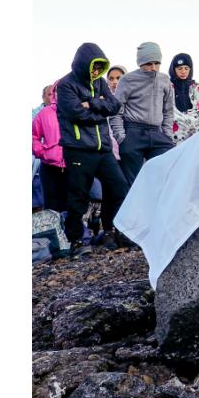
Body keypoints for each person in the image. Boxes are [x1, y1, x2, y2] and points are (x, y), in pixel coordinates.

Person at [55, 43, 130, 257]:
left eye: (99, 67)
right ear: (83, 64)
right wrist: (99, 106)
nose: (96, 71)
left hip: (103, 148)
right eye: (93, 66)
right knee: (78, 196)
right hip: (78, 149)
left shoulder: (98, 83)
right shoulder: (66, 84)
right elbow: (76, 114)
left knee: (119, 188)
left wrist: (90, 102)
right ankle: (77, 240)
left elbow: (115, 106)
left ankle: (110, 230)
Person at [109, 42, 176, 188]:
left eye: (157, 63)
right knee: (132, 185)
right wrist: (121, 138)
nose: (153, 68)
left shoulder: (165, 80)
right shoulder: (128, 80)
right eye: (149, 63)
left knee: (164, 176)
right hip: (133, 132)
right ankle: (131, 211)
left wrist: (167, 135)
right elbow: (115, 110)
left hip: (157, 134)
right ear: (140, 62)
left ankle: (157, 210)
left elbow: (168, 111)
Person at [33, 80, 67, 212]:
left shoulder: (76, 112)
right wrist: (41, 151)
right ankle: (52, 233)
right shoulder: (45, 113)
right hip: (49, 166)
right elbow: (33, 135)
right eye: (58, 90)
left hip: (73, 165)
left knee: (71, 205)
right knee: (50, 206)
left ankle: (70, 232)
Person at [169, 53, 199, 143]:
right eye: (179, 69)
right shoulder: (168, 87)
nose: (183, 72)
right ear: (173, 69)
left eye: (186, 68)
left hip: (196, 136)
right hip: (174, 138)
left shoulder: (197, 88)